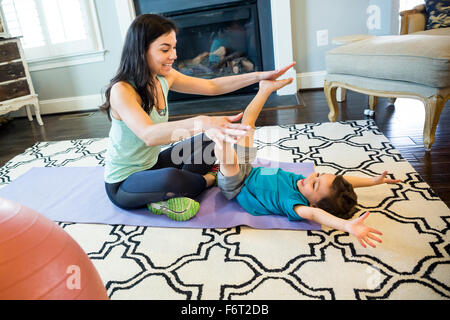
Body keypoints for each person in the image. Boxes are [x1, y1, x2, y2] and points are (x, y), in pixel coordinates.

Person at [100, 14, 296, 221]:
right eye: (165, 49)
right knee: (171, 178)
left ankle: (179, 186)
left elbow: (212, 86)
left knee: (218, 138)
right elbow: (149, 135)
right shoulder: (122, 90)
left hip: (153, 162)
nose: (174, 55)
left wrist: (259, 77)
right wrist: (204, 122)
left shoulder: (163, 77)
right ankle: (208, 180)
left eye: (174, 48)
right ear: (141, 49)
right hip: (123, 184)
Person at [213, 78, 403, 249]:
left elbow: (315, 216)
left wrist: (346, 226)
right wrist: (373, 181)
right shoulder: (306, 183)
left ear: (313, 204)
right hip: (251, 171)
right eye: (318, 175)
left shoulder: (295, 204)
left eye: (315, 184)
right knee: (248, 124)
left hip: (238, 187)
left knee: (230, 163)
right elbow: (343, 181)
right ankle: (264, 89)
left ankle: (218, 138)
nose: (311, 176)